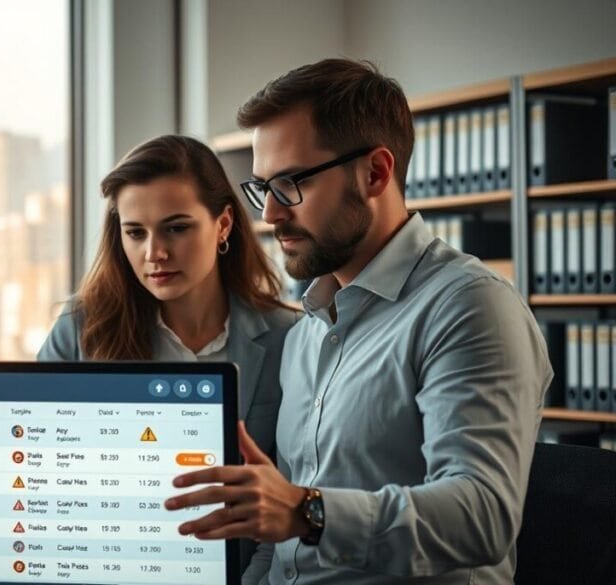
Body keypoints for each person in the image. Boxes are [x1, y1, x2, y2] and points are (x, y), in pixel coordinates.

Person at [164, 59, 552, 585]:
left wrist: (307, 511)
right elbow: (283, 543)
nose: (271, 214)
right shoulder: (306, 332)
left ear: (375, 173)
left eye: (291, 183)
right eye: (263, 188)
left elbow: (482, 516)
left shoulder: (469, 308)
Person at [38, 134, 297, 570]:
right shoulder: (80, 329)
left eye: (176, 228)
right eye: (135, 233)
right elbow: (40, 478)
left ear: (223, 225)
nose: (154, 253)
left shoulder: (289, 337)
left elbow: (288, 505)